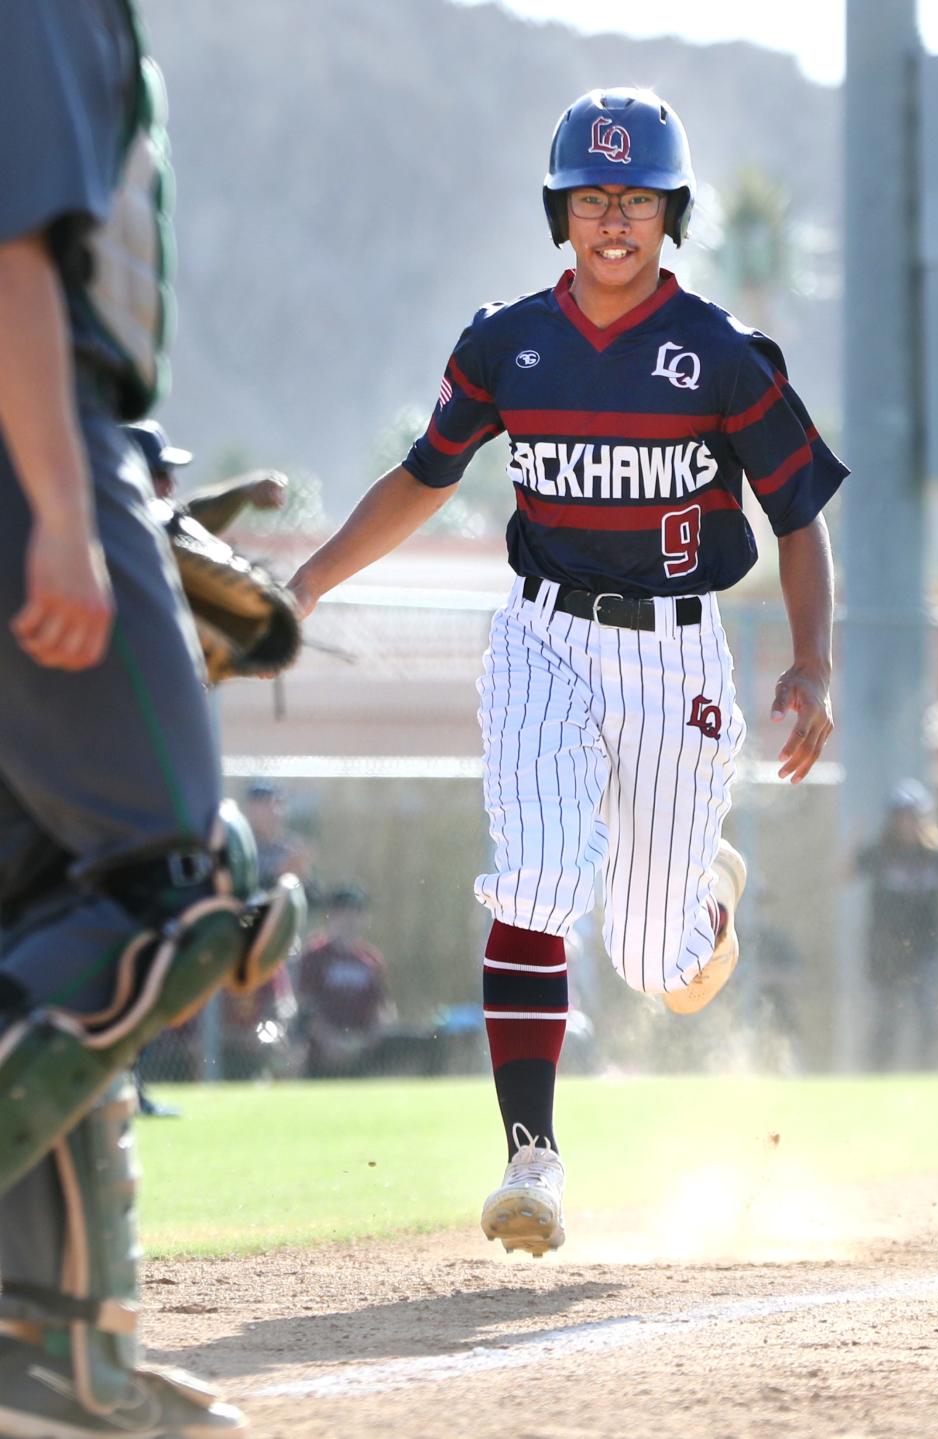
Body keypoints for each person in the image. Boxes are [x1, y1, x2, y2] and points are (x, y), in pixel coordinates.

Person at [289, 87, 845, 1255]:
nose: (612, 221)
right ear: (560, 209)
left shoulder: (722, 357)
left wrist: (811, 662)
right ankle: (531, 1158)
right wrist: (309, 583)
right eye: (591, 197)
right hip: (543, 636)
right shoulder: (505, 343)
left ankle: (704, 896)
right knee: (536, 882)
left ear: (669, 213)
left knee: (665, 969)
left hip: (678, 651)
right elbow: (421, 478)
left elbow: (798, 514)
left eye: (636, 198)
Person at [0, 4, 302, 1432]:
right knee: (182, 882)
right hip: (33, 441)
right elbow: (13, 253)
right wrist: (68, 510)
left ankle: (53, 1352)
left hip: (52, 435)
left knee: (46, 894)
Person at [857, 780, 938, 1071]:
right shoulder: (879, 852)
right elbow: (844, 873)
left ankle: (928, 1075)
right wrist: (855, 838)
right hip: (886, 950)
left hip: (928, 949)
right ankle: (878, 1078)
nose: (906, 823)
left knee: (929, 1015)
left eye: (912, 816)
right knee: (886, 1018)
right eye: (900, 816)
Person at [123, 417, 289, 533]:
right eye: (159, 474)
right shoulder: (110, 532)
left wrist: (245, 490)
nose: (170, 485)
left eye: (168, 473)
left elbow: (189, 516)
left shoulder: (154, 525)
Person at [298, 887, 395, 1077]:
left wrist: (366, 1041)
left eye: (356, 913)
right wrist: (330, 1041)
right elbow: (305, 1007)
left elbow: (384, 1008)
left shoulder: (371, 959)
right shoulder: (314, 956)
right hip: (321, 1058)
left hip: (363, 1056)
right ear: (331, 916)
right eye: (343, 913)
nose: (350, 920)